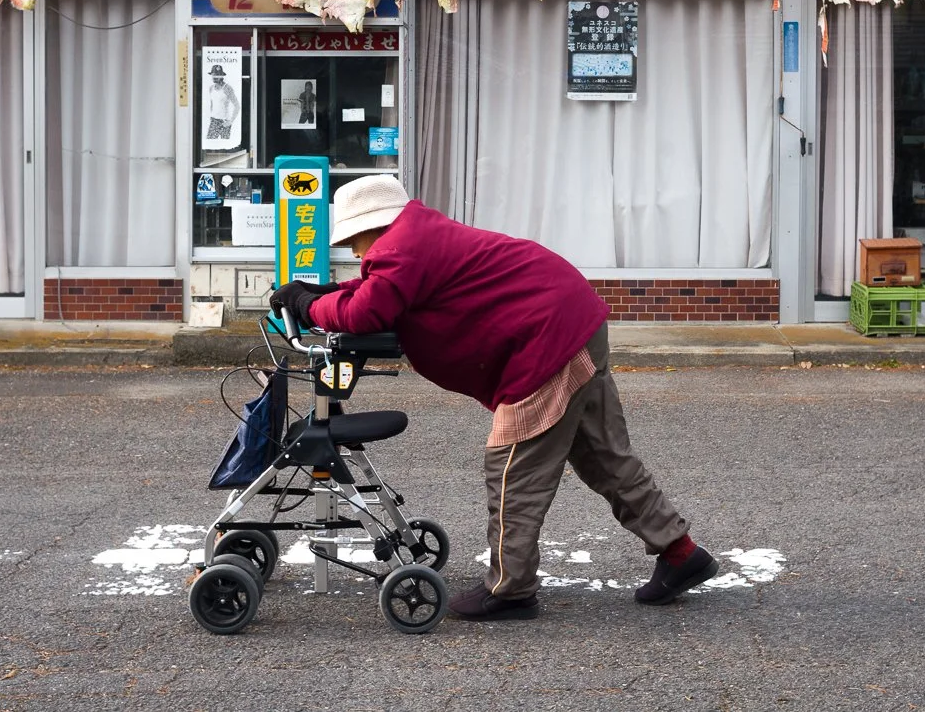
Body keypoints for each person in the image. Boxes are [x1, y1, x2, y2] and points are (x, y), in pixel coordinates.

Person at [270, 174, 718, 622]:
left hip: (544, 345)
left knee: (512, 467)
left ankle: (510, 589)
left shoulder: (399, 250)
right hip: (573, 322)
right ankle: (681, 554)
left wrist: (309, 305)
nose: (352, 250)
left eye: (353, 238)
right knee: (604, 455)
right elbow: (378, 294)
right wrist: (328, 295)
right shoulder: (416, 235)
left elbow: (366, 311)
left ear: (376, 225)